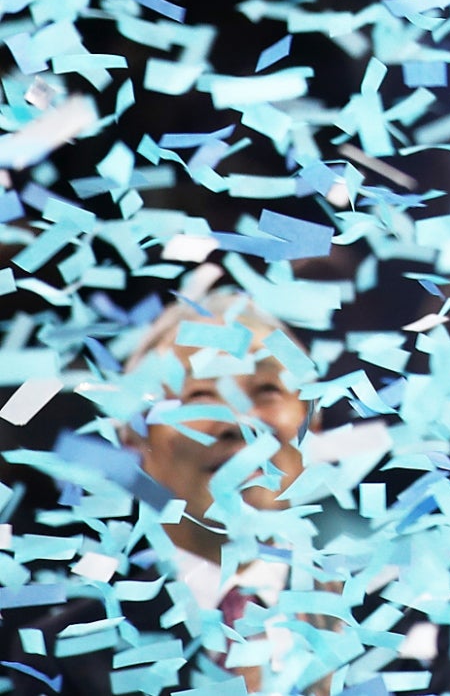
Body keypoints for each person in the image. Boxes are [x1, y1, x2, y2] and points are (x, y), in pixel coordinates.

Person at [5, 290, 321, 696]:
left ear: (314, 423)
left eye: (267, 390)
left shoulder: (406, 621)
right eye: (200, 396)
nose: (238, 422)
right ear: (135, 441)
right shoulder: (66, 652)